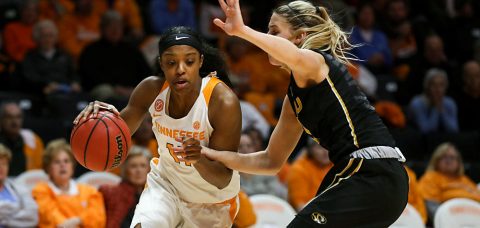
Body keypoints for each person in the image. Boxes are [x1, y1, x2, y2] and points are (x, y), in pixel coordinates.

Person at [201, 0, 409, 227]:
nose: (267, 37)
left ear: (299, 37)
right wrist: (213, 155)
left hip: (371, 171)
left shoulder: (315, 61)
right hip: (368, 177)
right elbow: (270, 161)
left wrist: (242, 31)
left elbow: (295, 56)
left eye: (274, 31)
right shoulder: (294, 98)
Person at [74, 26, 242, 227]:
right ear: (161, 63)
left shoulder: (223, 101)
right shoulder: (151, 89)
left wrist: (198, 159)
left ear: (201, 62)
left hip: (212, 200)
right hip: (166, 186)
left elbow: (223, 177)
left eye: (189, 61)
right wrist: (101, 119)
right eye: (171, 62)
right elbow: (118, 135)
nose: (180, 69)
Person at [32, 139, 106, 228]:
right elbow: (49, 217)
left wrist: (78, 220)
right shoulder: (40, 190)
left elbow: (99, 219)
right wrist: (78, 222)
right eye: (57, 162)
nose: (62, 165)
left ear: (72, 166)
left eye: (66, 161)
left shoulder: (89, 191)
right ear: (48, 167)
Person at [418, 142, 480, 218]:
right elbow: (431, 206)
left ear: (458, 162)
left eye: (452, 157)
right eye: (444, 157)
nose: (448, 160)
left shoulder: (464, 179)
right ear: (436, 160)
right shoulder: (430, 177)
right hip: (451, 219)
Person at [99, 146, 152, 228]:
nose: (139, 170)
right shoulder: (109, 193)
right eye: (133, 166)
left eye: (143, 166)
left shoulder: (154, 196)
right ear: (125, 169)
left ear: (149, 169)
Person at [408, 68, 459, 134]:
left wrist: (442, 111)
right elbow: (426, 131)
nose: (437, 89)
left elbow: (454, 129)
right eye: (433, 85)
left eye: (441, 85)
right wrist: (436, 108)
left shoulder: (450, 103)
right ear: (427, 86)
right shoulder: (417, 103)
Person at [287, 140, 333, 211]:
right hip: (310, 216)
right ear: (310, 149)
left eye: (329, 147)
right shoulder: (299, 168)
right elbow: (300, 206)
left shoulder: (339, 165)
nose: (325, 152)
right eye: (320, 147)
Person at [0, 101, 44, 176]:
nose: (14, 122)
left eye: (18, 117)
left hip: (25, 184)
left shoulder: (32, 141)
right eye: (9, 117)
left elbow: (40, 169)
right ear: (1, 119)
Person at [0, 143, 38, 227]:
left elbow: (32, 216)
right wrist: (16, 210)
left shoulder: (18, 188)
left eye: (4, 164)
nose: (1, 167)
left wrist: (5, 220)